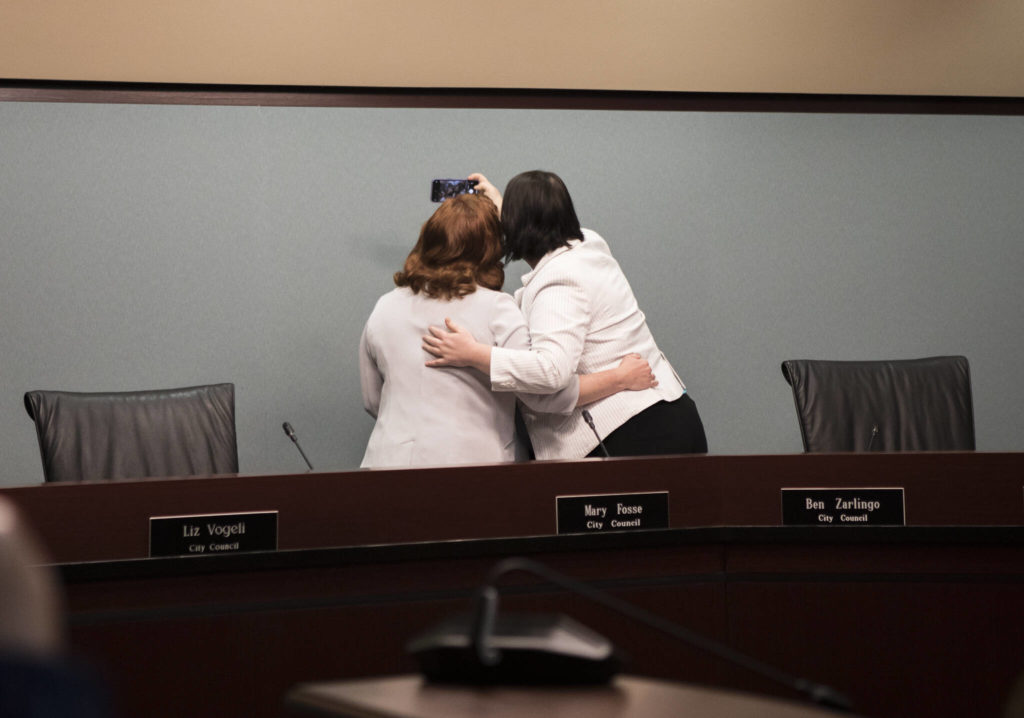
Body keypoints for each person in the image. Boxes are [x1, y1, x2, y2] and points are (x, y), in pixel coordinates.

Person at [422, 171, 707, 460]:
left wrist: (474, 353)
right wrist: (500, 202)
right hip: (673, 415)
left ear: (516, 226)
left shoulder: (558, 282)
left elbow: (551, 372)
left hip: (631, 435)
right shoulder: (591, 244)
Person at [359, 193, 657, 468]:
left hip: (386, 468)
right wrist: (620, 378)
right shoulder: (498, 309)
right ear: (491, 250)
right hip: (474, 470)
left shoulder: (384, 307)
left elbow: (373, 400)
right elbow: (545, 395)